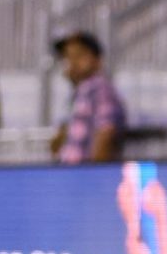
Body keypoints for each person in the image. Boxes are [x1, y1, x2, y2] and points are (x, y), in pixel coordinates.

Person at [52, 31, 125, 164]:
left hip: (84, 178)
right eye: (67, 57)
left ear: (97, 60)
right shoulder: (79, 93)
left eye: (79, 56)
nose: (72, 62)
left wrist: (93, 176)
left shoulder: (100, 89)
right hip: (73, 176)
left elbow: (106, 135)